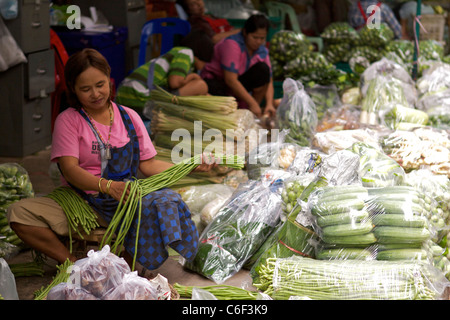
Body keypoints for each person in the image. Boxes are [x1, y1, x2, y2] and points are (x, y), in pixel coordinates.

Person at [7, 48, 217, 275]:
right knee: (19, 213)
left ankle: (126, 266)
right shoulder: (68, 120)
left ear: (109, 80)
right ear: (74, 90)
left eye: (100, 84)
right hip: (82, 200)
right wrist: (106, 186)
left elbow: (149, 165)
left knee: (166, 199)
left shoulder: (129, 117)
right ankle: (74, 265)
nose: (95, 94)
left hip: (125, 198)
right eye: (85, 89)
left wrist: (190, 166)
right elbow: (69, 170)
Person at [115, 29, 213, 111]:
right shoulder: (186, 53)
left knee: (200, 91)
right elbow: (175, 82)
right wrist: (194, 76)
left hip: (127, 96)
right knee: (201, 85)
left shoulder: (179, 54)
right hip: (137, 96)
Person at [201, 14, 277, 118]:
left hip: (237, 84)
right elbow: (230, 80)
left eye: (262, 38)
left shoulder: (262, 50)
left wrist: (269, 104)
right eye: (255, 37)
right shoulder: (232, 44)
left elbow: (269, 80)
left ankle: (250, 114)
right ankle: (248, 110)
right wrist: (252, 103)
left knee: (263, 70)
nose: (258, 42)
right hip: (217, 83)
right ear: (245, 33)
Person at [176, 0, 241, 44]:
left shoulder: (209, 16)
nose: (199, 4)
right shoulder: (196, 21)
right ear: (188, 10)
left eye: (198, 0)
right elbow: (214, 39)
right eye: (193, 4)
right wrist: (240, 31)